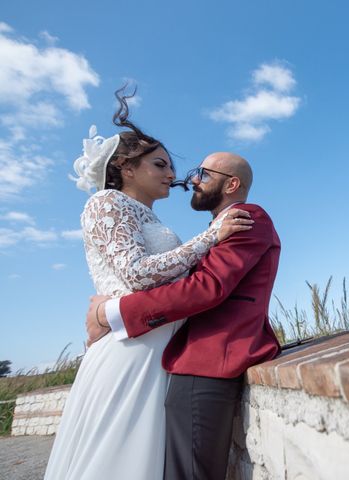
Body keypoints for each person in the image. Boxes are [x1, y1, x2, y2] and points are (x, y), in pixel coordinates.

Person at [45, 90, 252, 480]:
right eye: (160, 164)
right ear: (126, 167)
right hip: (132, 350)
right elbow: (137, 273)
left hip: (163, 347)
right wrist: (209, 238)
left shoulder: (152, 219)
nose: (172, 176)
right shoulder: (105, 203)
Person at [85, 144, 282, 478]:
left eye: (202, 174)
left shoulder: (247, 218)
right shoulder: (216, 231)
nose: (190, 181)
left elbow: (206, 288)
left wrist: (112, 313)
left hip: (208, 358)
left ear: (231, 184)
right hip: (174, 357)